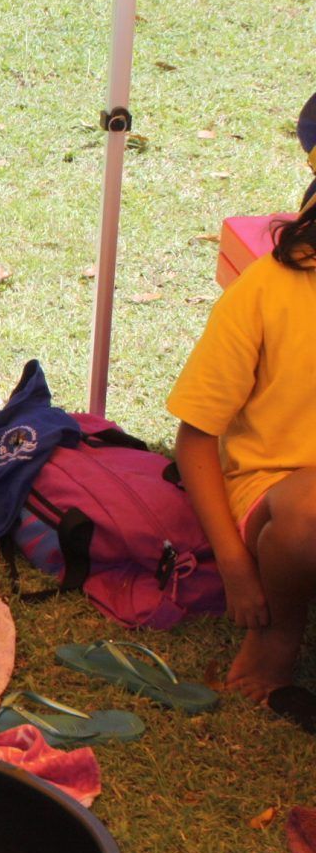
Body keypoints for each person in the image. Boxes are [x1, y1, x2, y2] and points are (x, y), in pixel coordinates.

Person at [168, 172, 316, 704]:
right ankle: (277, 637)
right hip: (277, 496)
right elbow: (195, 438)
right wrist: (234, 567)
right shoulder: (266, 289)